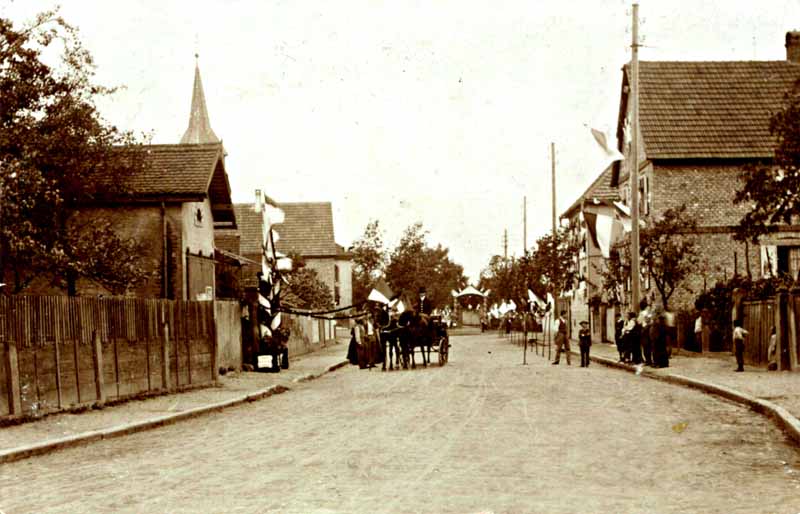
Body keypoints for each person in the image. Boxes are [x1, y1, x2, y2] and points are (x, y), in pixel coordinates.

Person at [638, 299, 652, 366]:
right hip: (650, 329)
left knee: (645, 346)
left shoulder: (642, 313)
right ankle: (650, 360)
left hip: (644, 329)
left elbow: (639, 321)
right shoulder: (649, 312)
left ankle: (648, 360)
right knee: (649, 345)